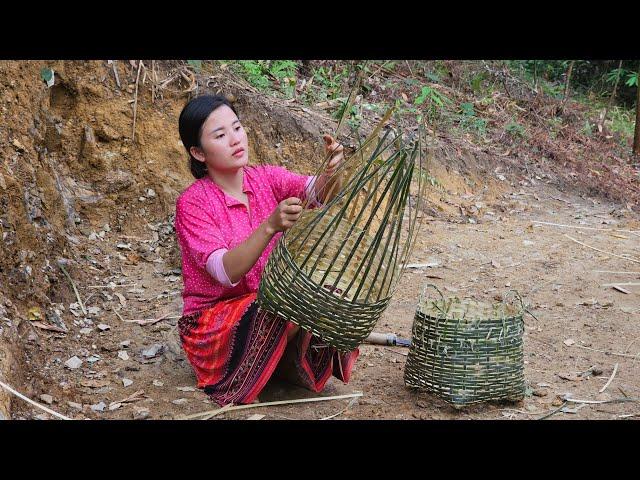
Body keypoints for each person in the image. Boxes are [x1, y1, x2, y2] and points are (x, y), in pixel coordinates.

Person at [174, 94, 359, 406]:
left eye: (236, 128)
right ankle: (255, 366)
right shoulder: (193, 203)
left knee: (328, 294)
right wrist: (269, 226)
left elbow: (319, 192)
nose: (235, 139)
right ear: (198, 152)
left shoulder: (265, 179)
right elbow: (226, 272)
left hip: (266, 304)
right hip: (213, 324)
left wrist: (331, 170)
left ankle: (278, 361)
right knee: (275, 309)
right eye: (220, 135)